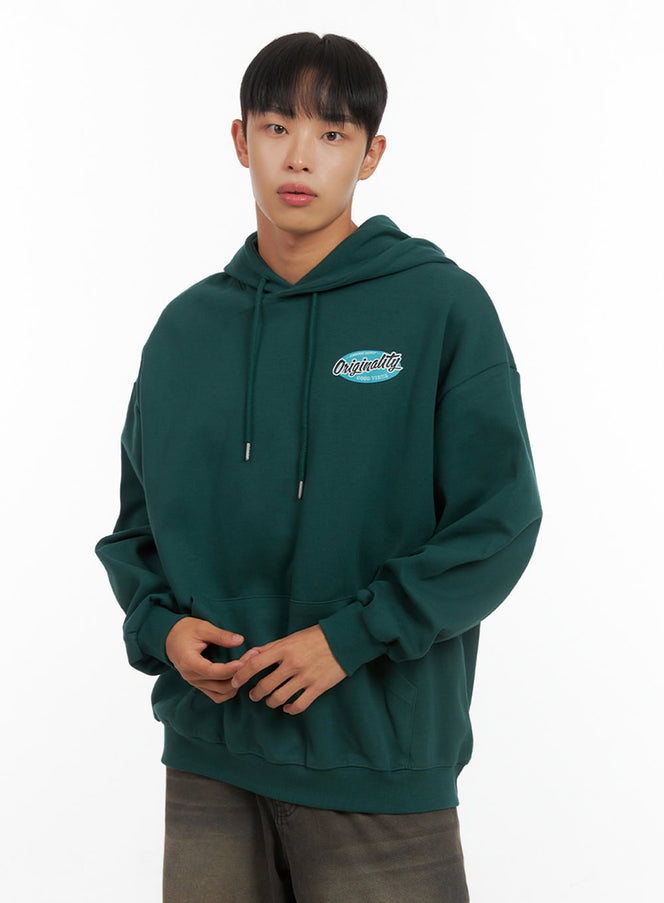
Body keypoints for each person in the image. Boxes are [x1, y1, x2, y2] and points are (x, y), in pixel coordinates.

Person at [96, 32, 542, 903]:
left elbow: (499, 522)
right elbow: (137, 528)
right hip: (209, 761)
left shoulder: (441, 308)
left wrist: (350, 638)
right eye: (276, 127)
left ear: (371, 155)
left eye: (332, 134)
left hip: (379, 765)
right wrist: (161, 630)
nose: (299, 157)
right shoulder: (185, 331)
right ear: (241, 140)